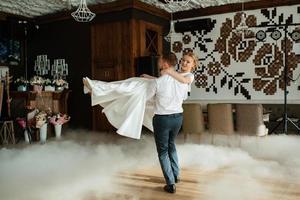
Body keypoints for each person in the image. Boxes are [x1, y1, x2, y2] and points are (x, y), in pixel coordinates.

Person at [144, 52, 197, 193]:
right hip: (177, 118)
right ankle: (176, 175)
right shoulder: (177, 75)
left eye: (188, 62)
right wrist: (152, 78)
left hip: (162, 119)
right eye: (183, 60)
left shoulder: (188, 77)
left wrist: (165, 73)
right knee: (171, 146)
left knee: (163, 152)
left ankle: (170, 183)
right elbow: (171, 79)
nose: (185, 63)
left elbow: (176, 80)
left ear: (193, 65)